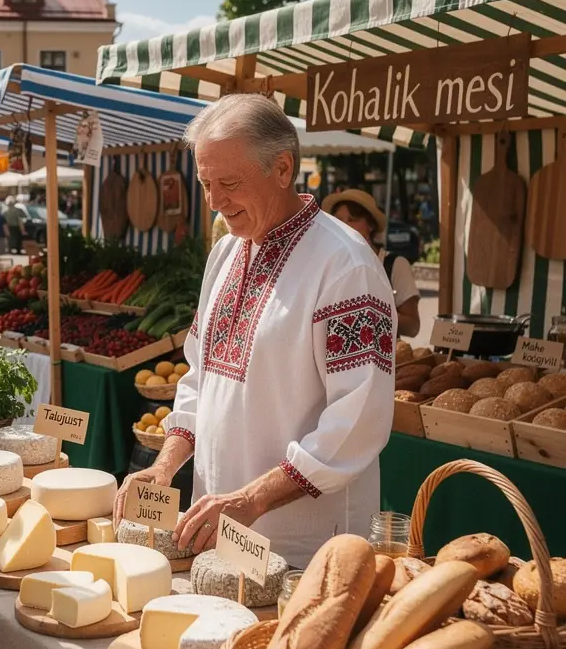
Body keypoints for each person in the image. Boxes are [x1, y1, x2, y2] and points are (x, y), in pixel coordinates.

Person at [114, 96, 395, 568]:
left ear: (282, 168)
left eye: (229, 183)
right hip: (222, 532)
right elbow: (200, 377)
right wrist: (164, 465)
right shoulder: (224, 254)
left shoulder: (345, 264)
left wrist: (253, 499)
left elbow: (358, 420)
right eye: (206, 184)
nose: (215, 201)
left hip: (308, 548)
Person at [323, 189, 422, 338]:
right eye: (339, 221)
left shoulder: (394, 265)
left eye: (352, 219)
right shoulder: (329, 266)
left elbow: (412, 327)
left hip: (383, 358)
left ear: (370, 225)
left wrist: (376, 311)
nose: (344, 226)